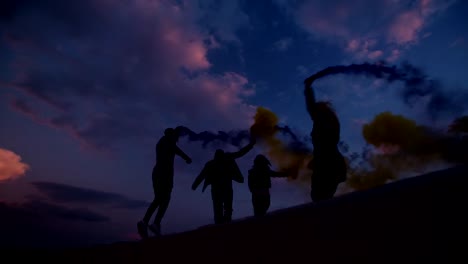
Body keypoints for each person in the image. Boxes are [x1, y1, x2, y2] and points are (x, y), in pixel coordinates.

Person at [138, 127, 192, 238]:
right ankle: (156, 223)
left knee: (158, 198)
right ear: (172, 135)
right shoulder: (167, 142)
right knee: (165, 198)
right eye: (176, 136)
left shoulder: (163, 142)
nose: (177, 139)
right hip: (164, 174)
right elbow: (177, 150)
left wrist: (186, 157)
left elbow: (176, 150)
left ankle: (145, 222)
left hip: (158, 173)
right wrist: (187, 158)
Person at [192, 139, 256, 224]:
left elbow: (201, 175)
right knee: (224, 208)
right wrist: (195, 185)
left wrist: (195, 185)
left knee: (221, 208)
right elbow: (240, 153)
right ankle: (223, 224)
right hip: (222, 188)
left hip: (221, 189)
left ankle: (221, 225)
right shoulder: (224, 161)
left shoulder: (212, 163)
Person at [303, 77, 347, 202]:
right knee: (321, 197)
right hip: (327, 164)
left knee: (320, 197)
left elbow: (311, 107)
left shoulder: (325, 125)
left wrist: (307, 88)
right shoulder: (328, 123)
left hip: (327, 165)